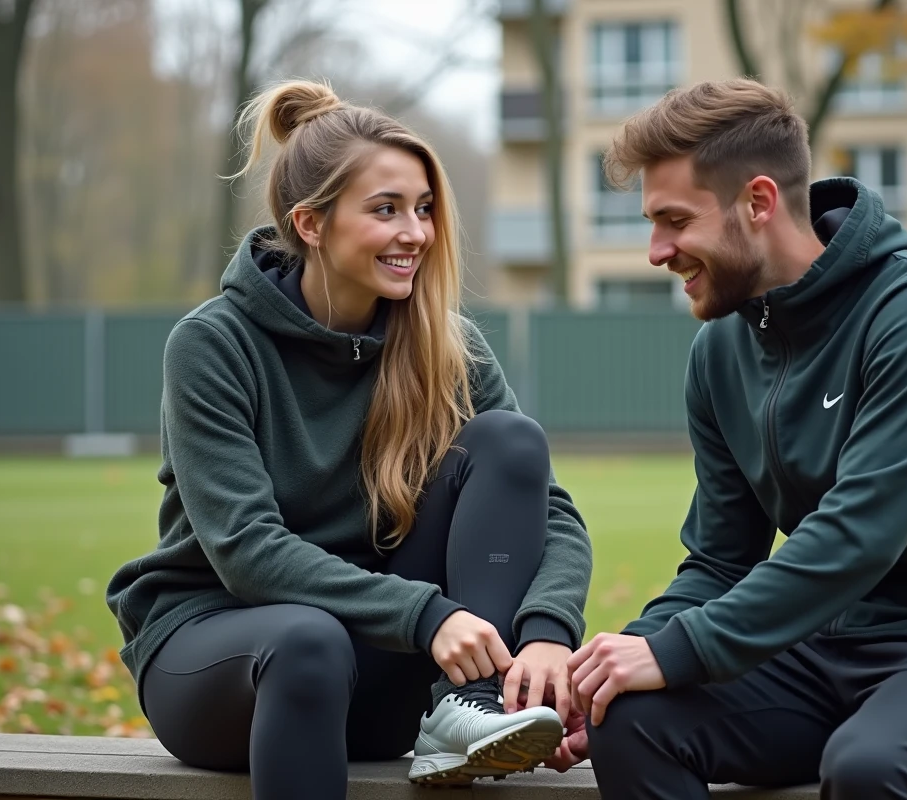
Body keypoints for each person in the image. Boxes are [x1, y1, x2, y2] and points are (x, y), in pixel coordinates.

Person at [545, 77, 907, 800]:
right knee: (632, 718)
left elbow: (859, 534)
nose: (656, 250)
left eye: (674, 220)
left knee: (871, 768)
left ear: (759, 202)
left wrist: (677, 650)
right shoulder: (719, 353)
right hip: (824, 646)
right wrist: (617, 664)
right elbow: (719, 558)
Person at [105, 78, 593, 798]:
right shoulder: (213, 344)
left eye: (424, 209)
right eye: (387, 210)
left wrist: (548, 632)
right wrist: (426, 614)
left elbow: (549, 513)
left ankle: (474, 705)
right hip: (225, 661)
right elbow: (245, 550)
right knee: (309, 640)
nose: (417, 233)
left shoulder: (447, 347)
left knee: (509, 442)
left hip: (381, 671)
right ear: (310, 223)